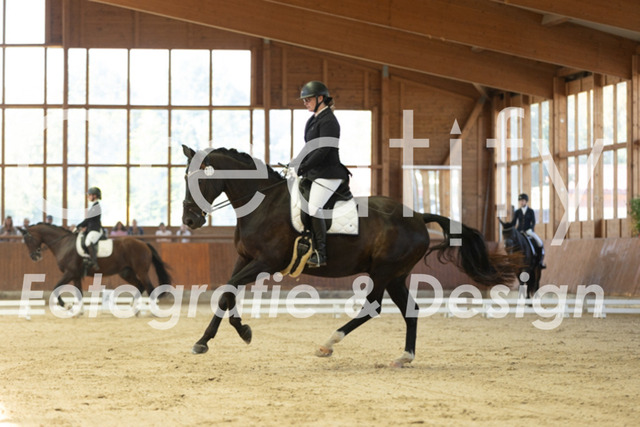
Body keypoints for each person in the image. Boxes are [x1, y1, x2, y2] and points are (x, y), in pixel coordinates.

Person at [293, 81, 350, 268]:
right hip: (315, 172)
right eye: (304, 100)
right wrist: (295, 163)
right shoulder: (313, 120)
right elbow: (309, 147)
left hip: (329, 173)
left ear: (320, 98)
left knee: (313, 207)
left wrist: (303, 167)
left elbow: (323, 150)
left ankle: (320, 253)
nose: (305, 103)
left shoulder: (329, 121)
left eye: (308, 100)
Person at [507, 193, 546, 268]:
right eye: (520, 201)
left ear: (526, 201)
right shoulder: (517, 212)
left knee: (539, 242)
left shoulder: (531, 211)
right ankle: (511, 260)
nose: (521, 202)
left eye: (523, 201)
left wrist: (530, 229)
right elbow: (513, 223)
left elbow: (533, 222)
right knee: (510, 243)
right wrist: (507, 225)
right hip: (519, 232)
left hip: (528, 231)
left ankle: (540, 261)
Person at [76, 187, 103, 271]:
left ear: (95, 196)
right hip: (91, 229)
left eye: (90, 195)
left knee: (88, 242)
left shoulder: (96, 207)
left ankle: (94, 262)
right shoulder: (94, 206)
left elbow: (88, 219)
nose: (88, 196)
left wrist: (79, 226)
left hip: (95, 230)